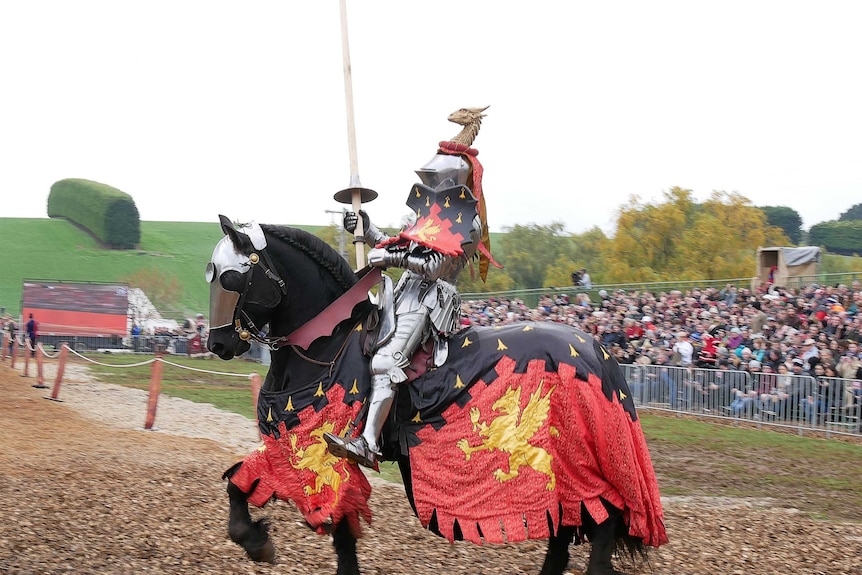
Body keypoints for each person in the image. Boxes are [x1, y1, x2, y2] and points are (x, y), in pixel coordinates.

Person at [325, 107, 496, 469]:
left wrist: (388, 260)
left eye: (436, 180)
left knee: (387, 362)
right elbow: (396, 243)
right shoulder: (427, 217)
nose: (431, 186)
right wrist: (365, 228)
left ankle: (368, 444)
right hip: (403, 291)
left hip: (431, 299)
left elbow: (434, 266)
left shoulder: (468, 223)